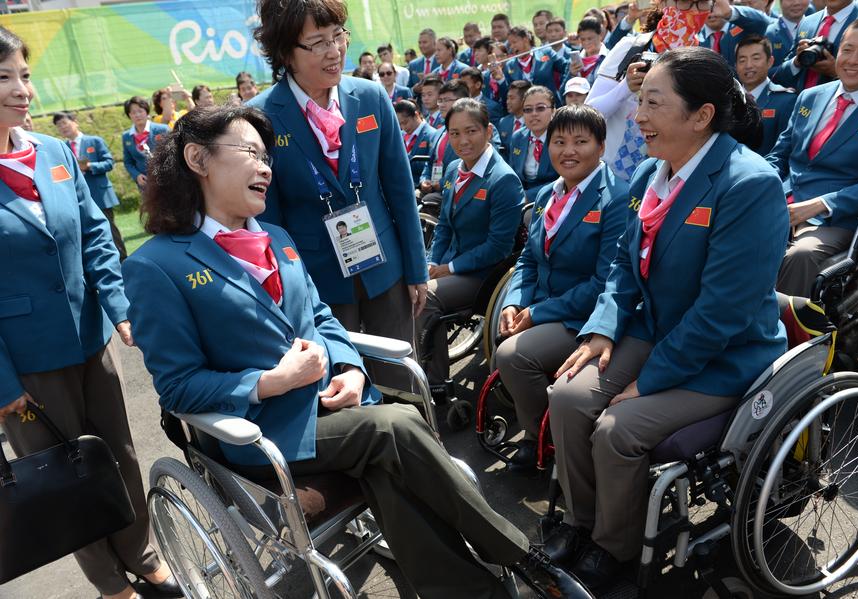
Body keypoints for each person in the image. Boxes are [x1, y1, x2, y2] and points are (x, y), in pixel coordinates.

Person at [123, 104, 592, 599]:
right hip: (261, 434)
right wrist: (272, 381)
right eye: (250, 153)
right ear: (198, 158)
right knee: (397, 424)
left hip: (332, 412)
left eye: (267, 156)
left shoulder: (277, 238)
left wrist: (347, 366)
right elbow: (176, 387)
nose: (266, 167)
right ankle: (526, 560)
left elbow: (321, 318)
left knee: (388, 467)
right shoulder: (157, 266)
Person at [542, 47, 786, 594]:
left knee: (617, 429)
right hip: (653, 331)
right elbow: (622, 270)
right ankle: (581, 524)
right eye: (639, 98)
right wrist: (603, 327)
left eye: (653, 102)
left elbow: (722, 312)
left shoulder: (748, 185)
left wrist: (647, 382)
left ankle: (616, 548)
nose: (639, 115)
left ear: (701, 115)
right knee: (568, 396)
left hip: (724, 356)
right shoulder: (652, 173)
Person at [0, 26, 178, 599]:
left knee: (118, 453)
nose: (22, 89)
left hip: (89, 337)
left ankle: (143, 554)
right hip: (26, 365)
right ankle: (108, 582)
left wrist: (118, 304)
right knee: (63, 479)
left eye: (24, 74)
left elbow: (97, 234)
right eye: (5, 77)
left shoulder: (52, 152)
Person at [248, 0, 428, 395]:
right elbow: (267, 221)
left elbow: (399, 189)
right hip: (318, 280)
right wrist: (287, 295)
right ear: (285, 54)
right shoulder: (259, 117)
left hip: (386, 268)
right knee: (342, 389)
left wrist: (417, 269)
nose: (334, 51)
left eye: (338, 36)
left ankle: (416, 449)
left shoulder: (370, 97)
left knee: (401, 377)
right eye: (317, 43)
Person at [495, 104, 630, 472]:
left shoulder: (616, 199)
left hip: (581, 317)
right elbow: (527, 260)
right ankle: (541, 430)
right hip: (539, 305)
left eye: (580, 141)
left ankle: (544, 436)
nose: (568, 151)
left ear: (602, 147)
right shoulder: (546, 196)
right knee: (501, 339)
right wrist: (514, 301)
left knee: (513, 355)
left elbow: (605, 282)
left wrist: (538, 312)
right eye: (559, 141)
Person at [768, 15, 858, 296]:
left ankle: (785, 334)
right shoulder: (810, 97)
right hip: (782, 201)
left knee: (801, 255)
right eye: (847, 49)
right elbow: (779, 155)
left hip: (837, 218)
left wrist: (818, 205)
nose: (853, 60)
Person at [416, 99, 523, 390]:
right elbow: (445, 226)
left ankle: (435, 382)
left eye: (471, 131)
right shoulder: (453, 169)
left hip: (483, 274)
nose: (463, 141)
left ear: (488, 131)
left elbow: (498, 248)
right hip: (452, 263)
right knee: (411, 285)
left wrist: (449, 268)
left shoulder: (504, 180)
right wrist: (432, 262)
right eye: (454, 133)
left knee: (425, 298)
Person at [53, 111, 128, 261]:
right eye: (58, 126)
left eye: (64, 123)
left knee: (110, 230)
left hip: (100, 195)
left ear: (75, 122)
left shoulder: (94, 141)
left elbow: (109, 162)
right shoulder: (61, 148)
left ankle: (124, 260)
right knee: (90, 234)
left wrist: (90, 166)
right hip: (78, 198)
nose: (63, 128)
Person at [772, 0, 858, 91]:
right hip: (802, 104)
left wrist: (835, 72)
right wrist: (797, 62)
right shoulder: (807, 22)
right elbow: (780, 75)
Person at [735, 35, 797, 155]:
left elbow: (784, 150)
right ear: (736, 66)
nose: (748, 65)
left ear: (770, 62)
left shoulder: (785, 101)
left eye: (756, 58)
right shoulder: (727, 100)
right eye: (742, 60)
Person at [508, 86, 559, 201]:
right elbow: (513, 175)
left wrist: (529, 196)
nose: (534, 114)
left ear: (553, 110)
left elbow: (565, 179)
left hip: (554, 198)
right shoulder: (518, 137)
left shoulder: (562, 138)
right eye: (528, 110)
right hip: (520, 198)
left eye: (540, 108)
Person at [498, 26, 568, 103]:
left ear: (525, 40)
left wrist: (562, 90)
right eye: (510, 44)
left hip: (550, 105)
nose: (511, 47)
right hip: (525, 110)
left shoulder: (546, 53)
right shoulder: (509, 65)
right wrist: (500, 79)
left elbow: (567, 68)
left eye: (514, 42)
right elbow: (507, 94)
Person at [121, 96, 169, 190]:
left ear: (146, 111)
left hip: (168, 182)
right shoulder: (126, 136)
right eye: (133, 112)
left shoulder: (162, 129)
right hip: (146, 186)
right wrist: (137, 175)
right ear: (129, 115)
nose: (137, 115)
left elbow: (174, 153)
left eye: (140, 111)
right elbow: (128, 162)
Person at [394, 99, 437, 181]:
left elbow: (431, 165)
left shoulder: (432, 135)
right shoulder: (400, 135)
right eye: (400, 124)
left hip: (418, 184)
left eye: (405, 122)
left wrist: (403, 158)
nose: (403, 127)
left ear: (416, 115)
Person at [764, 0, 811, 72]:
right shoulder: (770, 33)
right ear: (780, 2)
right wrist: (793, 65)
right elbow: (765, 73)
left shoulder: (818, 26)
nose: (796, 3)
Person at [567, 16, 608, 87]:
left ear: (600, 35)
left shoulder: (609, 57)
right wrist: (572, 74)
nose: (586, 42)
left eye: (590, 38)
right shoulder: (574, 60)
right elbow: (563, 92)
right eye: (583, 39)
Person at [497, 80, 531, 156]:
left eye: (512, 98)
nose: (508, 102)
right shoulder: (504, 122)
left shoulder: (533, 123)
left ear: (524, 100)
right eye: (507, 98)